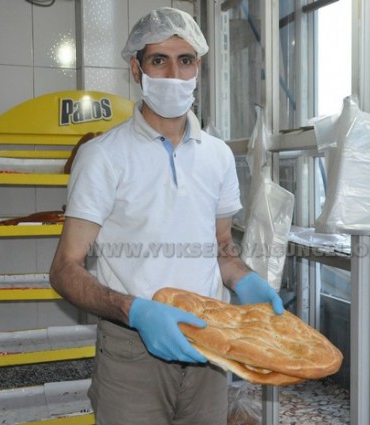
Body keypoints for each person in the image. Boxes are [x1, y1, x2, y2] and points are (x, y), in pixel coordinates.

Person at [49, 7, 283, 425]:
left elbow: (222, 248)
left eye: (185, 60)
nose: (174, 74)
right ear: (136, 70)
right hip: (132, 353)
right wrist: (135, 311)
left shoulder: (218, 156)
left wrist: (245, 279)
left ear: (199, 69)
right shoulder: (103, 156)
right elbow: (64, 269)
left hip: (210, 347)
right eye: (159, 60)